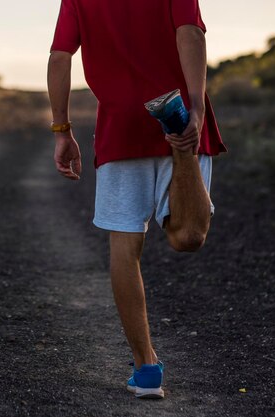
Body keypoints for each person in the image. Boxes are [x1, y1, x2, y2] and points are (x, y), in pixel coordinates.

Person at [47, 0, 227, 399]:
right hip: (179, 111)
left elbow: (60, 56)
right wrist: (195, 107)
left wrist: (62, 130)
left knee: (124, 247)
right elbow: (190, 32)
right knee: (188, 237)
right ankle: (178, 139)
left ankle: (146, 368)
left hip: (120, 125)